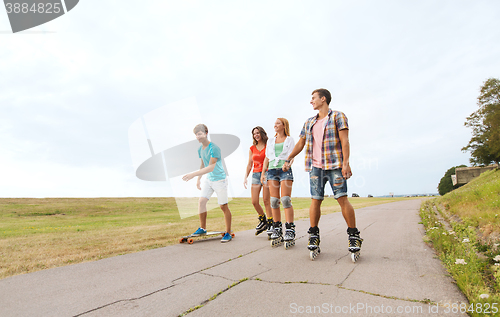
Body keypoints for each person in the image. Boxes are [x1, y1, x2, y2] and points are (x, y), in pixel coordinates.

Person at [284, 88, 362, 254]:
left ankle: (353, 235)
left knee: (342, 199)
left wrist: (346, 163)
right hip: (315, 167)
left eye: (313, 98)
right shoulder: (309, 121)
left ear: (323, 99)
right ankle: (313, 234)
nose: (311, 101)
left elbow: (345, 141)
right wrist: (289, 158)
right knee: (315, 200)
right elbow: (300, 143)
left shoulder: (338, 116)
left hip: (335, 165)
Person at [182, 124, 233, 242]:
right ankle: (202, 228)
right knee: (202, 202)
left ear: (205, 133)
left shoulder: (214, 148)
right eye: (196, 134)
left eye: (199, 134)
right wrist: (198, 179)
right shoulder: (200, 149)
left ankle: (228, 233)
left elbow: (210, 167)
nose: (197, 136)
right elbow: (203, 165)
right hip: (209, 179)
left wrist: (193, 174)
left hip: (220, 179)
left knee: (223, 206)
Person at [260, 118, 296, 245]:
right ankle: (277, 227)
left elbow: (292, 156)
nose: (275, 125)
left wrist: (288, 164)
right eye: (274, 123)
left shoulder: (290, 140)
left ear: (284, 125)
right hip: (272, 171)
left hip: (284, 171)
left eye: (277, 123)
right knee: (274, 201)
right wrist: (263, 173)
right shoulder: (270, 141)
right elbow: (267, 157)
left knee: (285, 199)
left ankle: (290, 228)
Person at [244, 126, 273, 237]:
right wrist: (245, 177)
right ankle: (263, 220)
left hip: (266, 173)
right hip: (256, 175)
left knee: (266, 200)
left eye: (257, 133)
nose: (256, 135)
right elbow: (249, 164)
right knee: (254, 201)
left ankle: (271, 223)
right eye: (254, 134)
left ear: (262, 133)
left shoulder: (268, 146)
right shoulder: (252, 148)